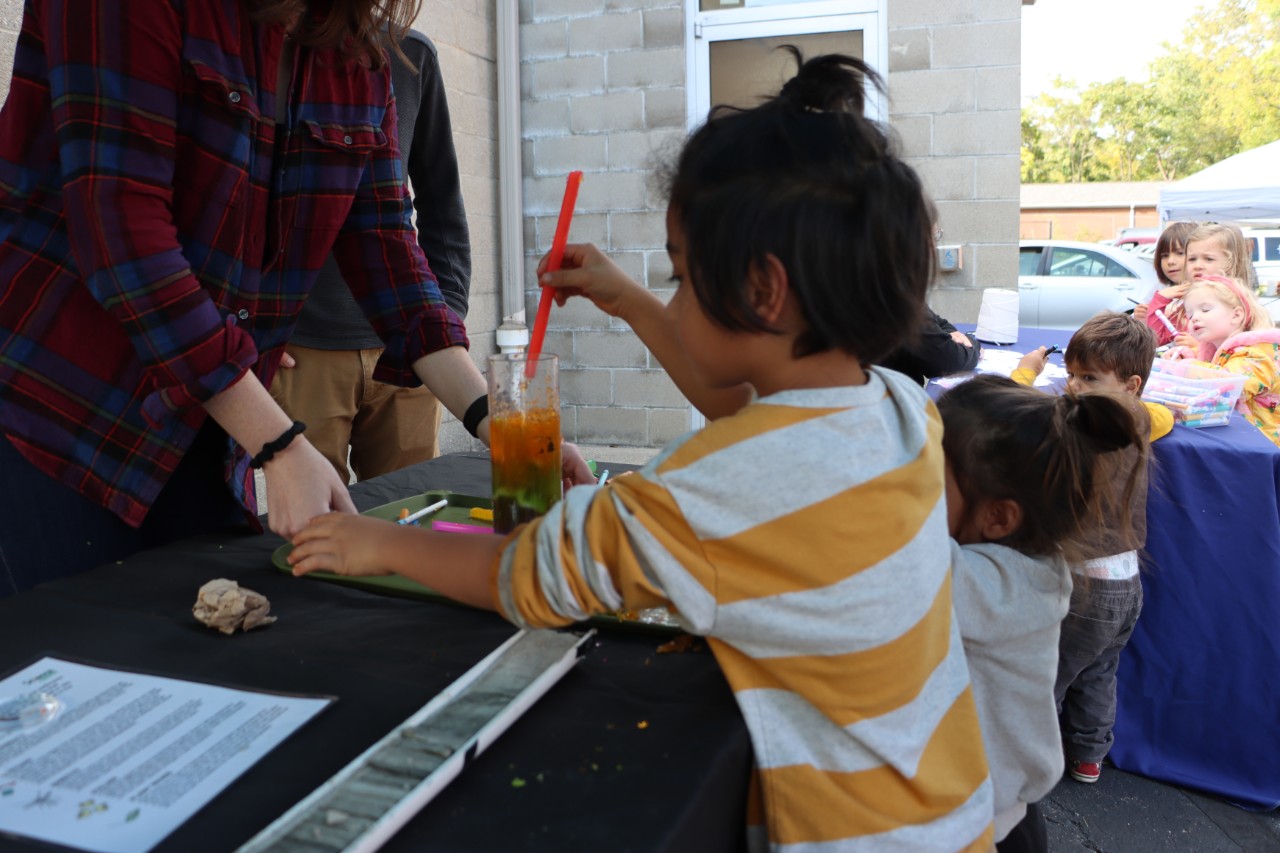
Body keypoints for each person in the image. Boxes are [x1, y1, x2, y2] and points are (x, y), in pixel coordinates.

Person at [290, 51, 997, 851]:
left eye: (683, 276)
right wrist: (628, 298)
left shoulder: (722, 488)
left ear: (763, 290)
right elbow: (737, 398)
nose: (675, 296)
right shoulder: (895, 407)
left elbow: (529, 573)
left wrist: (375, 540)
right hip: (951, 814)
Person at [0, 1, 590, 597]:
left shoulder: (355, 50)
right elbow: (122, 236)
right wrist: (279, 444)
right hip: (56, 416)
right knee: (69, 660)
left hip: (205, 426)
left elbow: (389, 252)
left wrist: (501, 425)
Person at [938, 373, 1145, 852]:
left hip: (982, 817)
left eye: (927, 472)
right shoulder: (1033, 562)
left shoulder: (993, 581)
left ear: (998, 517)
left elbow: (890, 561)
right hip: (1004, 803)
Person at [270, 27, 470, 482]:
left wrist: (446, 316)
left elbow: (437, 201)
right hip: (302, 347)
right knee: (318, 533)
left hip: (411, 344)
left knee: (413, 519)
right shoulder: (264, 46)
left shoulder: (412, 54)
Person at [1013, 312, 1172, 786]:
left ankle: (1026, 765)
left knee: (1048, 679)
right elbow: (1164, 415)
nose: (1074, 388)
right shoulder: (1140, 416)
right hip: (1126, 586)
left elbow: (1015, 407)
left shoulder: (1066, 419)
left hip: (1083, 590)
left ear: (1132, 383)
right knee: (1100, 671)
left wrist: (1026, 372)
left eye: (1089, 378)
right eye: (1072, 375)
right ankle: (1088, 756)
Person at [1167, 275, 1280, 445]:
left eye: (1205, 310)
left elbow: (1234, 386)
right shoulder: (1224, 352)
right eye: (1190, 315)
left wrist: (1188, 368)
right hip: (1245, 441)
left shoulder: (1257, 354)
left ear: (1236, 315)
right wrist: (1188, 357)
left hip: (1265, 447)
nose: (1195, 318)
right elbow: (1212, 370)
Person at [1141, 223, 1253, 346]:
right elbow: (1156, 340)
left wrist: (1198, 348)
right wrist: (1159, 301)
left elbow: (1235, 351)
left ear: (1230, 264)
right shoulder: (1187, 303)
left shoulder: (1234, 302)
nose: (1197, 266)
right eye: (1192, 259)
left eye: (1208, 259)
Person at [880, 306, 982, 385]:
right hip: (891, 403)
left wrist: (952, 336)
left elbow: (939, 323)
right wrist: (971, 344)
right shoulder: (893, 293)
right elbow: (947, 358)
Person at [1132, 220, 1197, 331]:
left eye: (1180, 253)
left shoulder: (1208, 291)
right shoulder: (1162, 287)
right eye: (1165, 256)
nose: (1170, 261)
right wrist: (1139, 316)